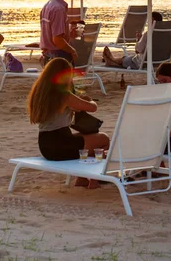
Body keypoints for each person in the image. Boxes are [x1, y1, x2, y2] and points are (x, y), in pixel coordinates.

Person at [28, 57, 110, 189]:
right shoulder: (63, 94)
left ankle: (82, 179)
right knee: (103, 139)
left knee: (87, 140)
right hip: (61, 143)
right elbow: (92, 108)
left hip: (45, 144)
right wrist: (90, 100)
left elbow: (59, 111)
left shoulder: (40, 93)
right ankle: (95, 180)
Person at [40, 0, 77, 64]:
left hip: (48, 55)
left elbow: (48, 33)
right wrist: (72, 51)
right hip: (59, 56)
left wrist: (68, 33)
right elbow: (57, 40)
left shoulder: (47, 6)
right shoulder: (58, 9)